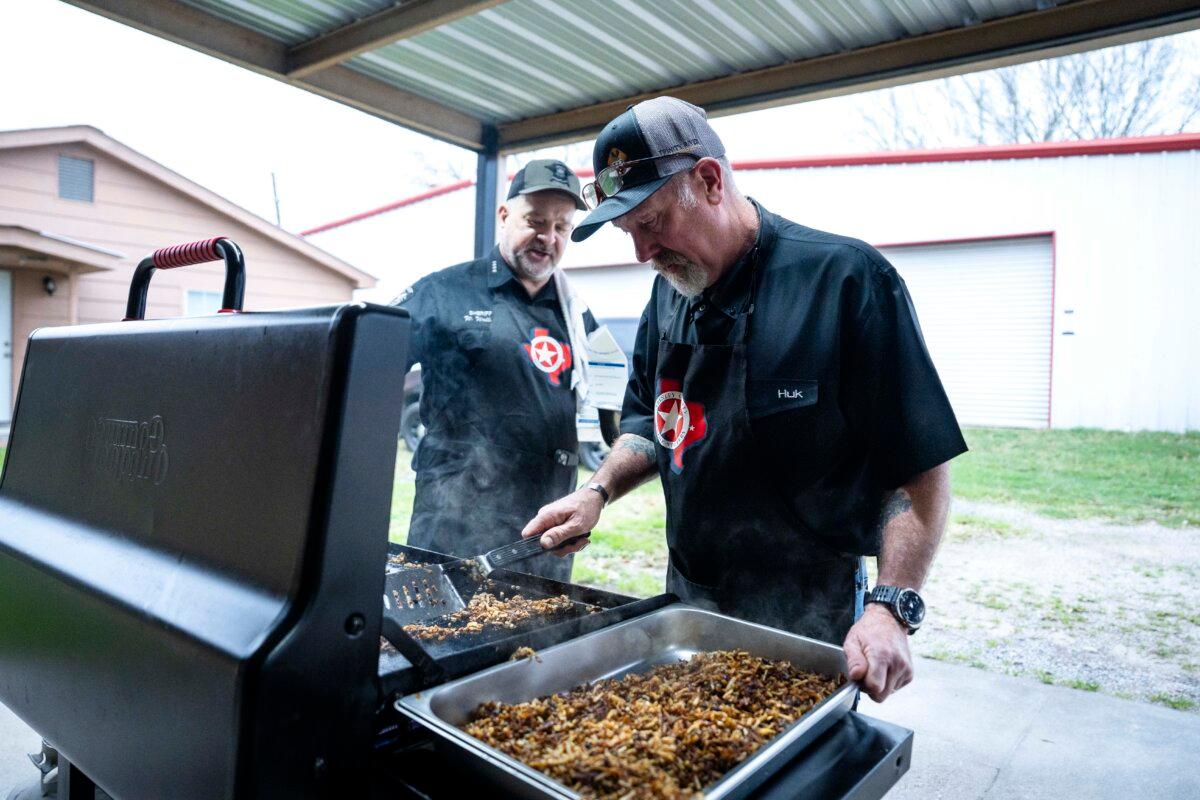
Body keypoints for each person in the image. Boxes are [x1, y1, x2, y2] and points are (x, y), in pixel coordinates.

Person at [520, 97, 967, 701]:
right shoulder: (670, 294)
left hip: (811, 617)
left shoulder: (846, 281)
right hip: (689, 602)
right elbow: (649, 425)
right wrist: (596, 492)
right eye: (629, 234)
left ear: (708, 180)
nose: (642, 255)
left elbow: (919, 472)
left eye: (650, 224)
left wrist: (892, 607)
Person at [395, 159, 598, 582]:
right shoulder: (444, 292)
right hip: (454, 520)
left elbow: (614, 408)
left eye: (562, 227)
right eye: (536, 221)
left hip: (544, 530)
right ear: (504, 216)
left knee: (539, 645)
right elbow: (368, 364)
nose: (548, 237)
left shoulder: (576, 316)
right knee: (440, 640)